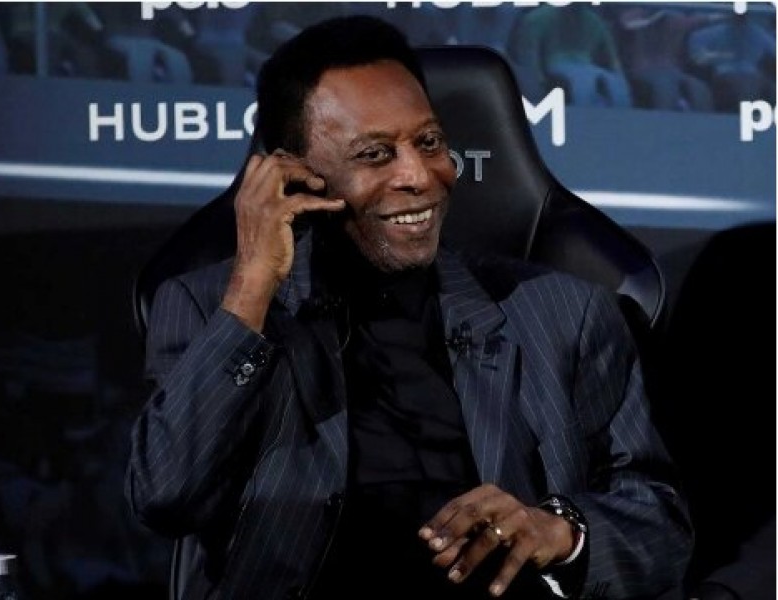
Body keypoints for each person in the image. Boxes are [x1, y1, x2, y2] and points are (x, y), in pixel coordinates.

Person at [125, 15, 692, 600]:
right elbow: (166, 496)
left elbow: (660, 526)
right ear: (294, 177)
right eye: (375, 154)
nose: (420, 176)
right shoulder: (207, 307)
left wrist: (558, 531)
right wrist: (251, 289)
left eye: (429, 142)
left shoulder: (565, 314)